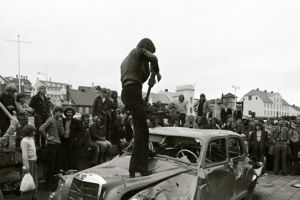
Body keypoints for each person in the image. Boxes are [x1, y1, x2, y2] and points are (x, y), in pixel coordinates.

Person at [120, 38, 161, 177]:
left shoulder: (127, 60)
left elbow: (137, 77)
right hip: (133, 90)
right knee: (142, 132)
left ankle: (136, 164)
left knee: (140, 130)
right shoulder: (139, 51)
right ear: (146, 47)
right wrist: (156, 72)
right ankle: (139, 166)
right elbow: (153, 58)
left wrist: (151, 76)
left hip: (127, 91)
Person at [39, 105, 64, 191]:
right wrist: (47, 138)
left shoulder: (59, 121)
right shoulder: (50, 119)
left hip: (58, 145)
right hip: (52, 145)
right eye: (58, 112)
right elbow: (41, 128)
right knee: (51, 166)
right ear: (54, 112)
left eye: (61, 112)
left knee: (57, 166)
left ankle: (54, 186)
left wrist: (60, 123)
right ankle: (47, 187)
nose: (59, 113)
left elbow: (62, 133)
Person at [20, 125, 38, 200]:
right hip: (28, 162)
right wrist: (26, 166)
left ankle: (34, 197)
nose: (34, 133)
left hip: (33, 161)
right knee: (27, 182)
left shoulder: (31, 139)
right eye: (32, 131)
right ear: (29, 132)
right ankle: (27, 198)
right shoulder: (24, 141)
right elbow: (24, 154)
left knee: (34, 180)